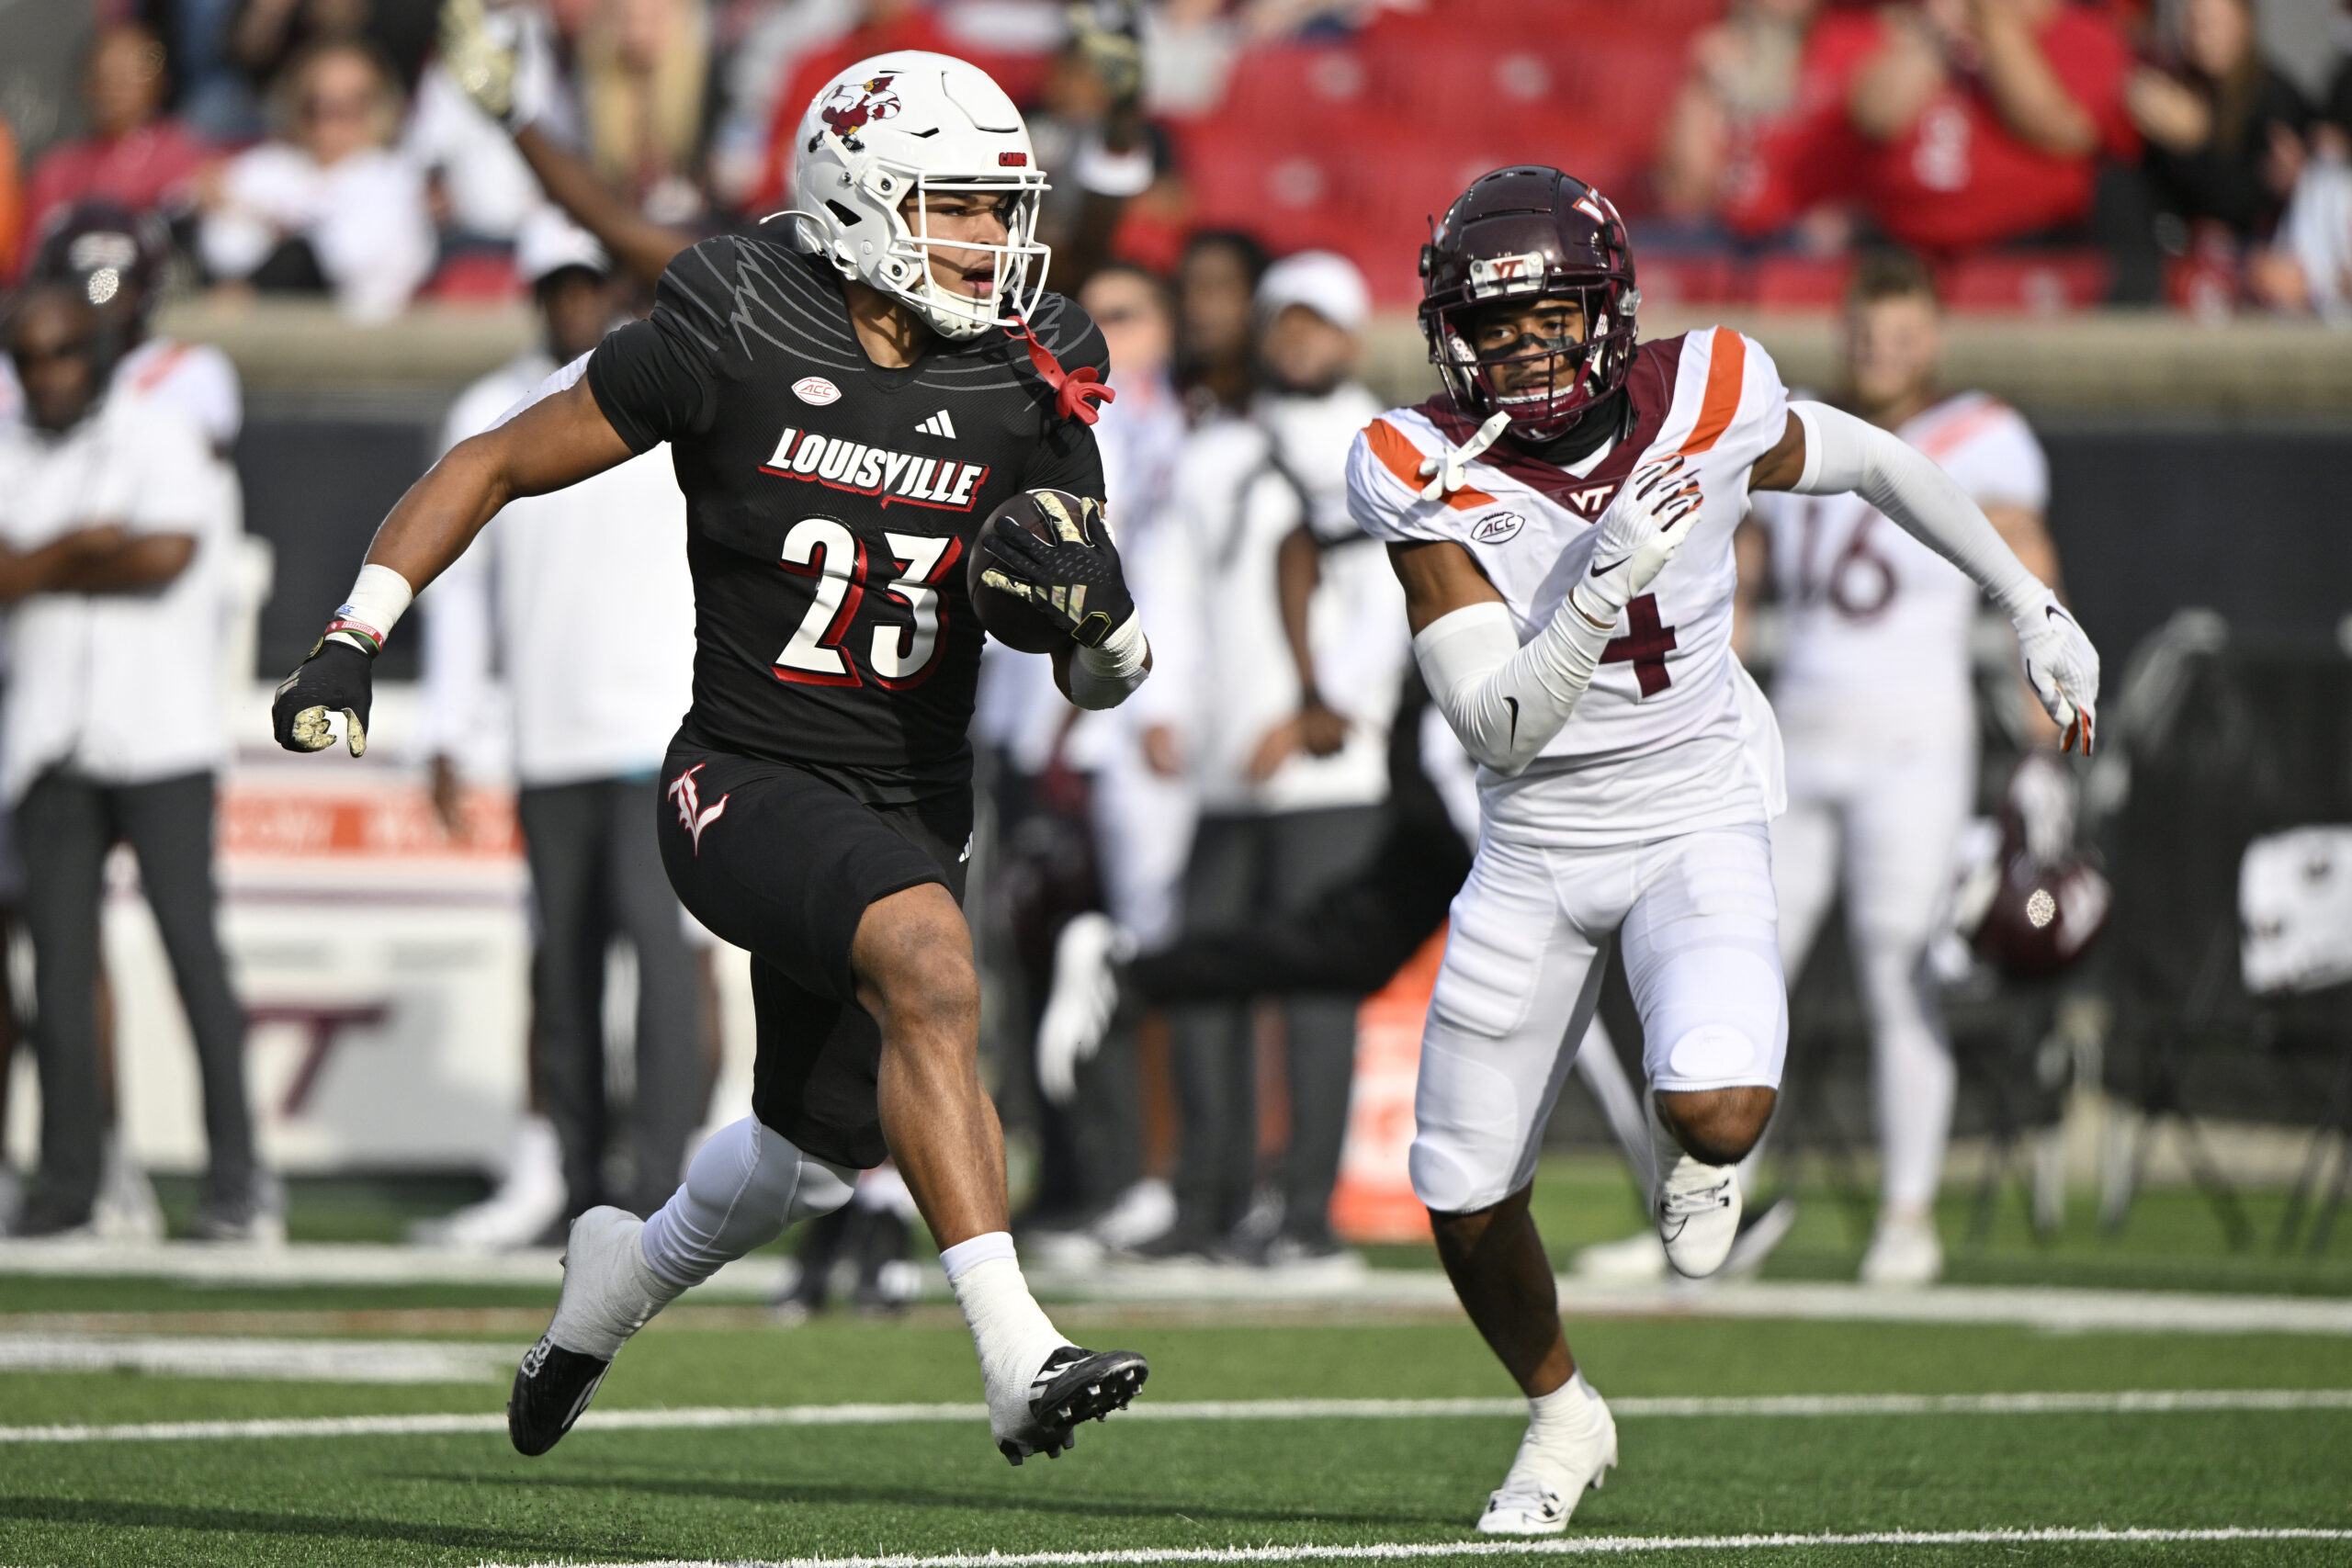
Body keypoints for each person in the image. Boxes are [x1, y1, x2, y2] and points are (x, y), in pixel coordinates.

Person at [269, 51, 1153, 1464]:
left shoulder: (1030, 360)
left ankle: (615, 1277)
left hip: (913, 795)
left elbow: (1085, 640)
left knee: (810, 1157)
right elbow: (495, 458)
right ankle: (1015, 1352)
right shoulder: (738, 317)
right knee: (931, 963)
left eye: (1001, 209)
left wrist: (1112, 643)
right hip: (739, 774)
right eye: (961, 209)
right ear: (862, 206)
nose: (996, 242)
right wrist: (353, 634)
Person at [1345, 165, 2098, 1532]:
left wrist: (2025, 598)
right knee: (1459, 1185)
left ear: (1609, 309)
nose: (1518, 347)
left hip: (1697, 792)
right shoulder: (1415, 463)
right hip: (1538, 832)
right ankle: (1563, 1413)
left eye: (1547, 317)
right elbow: (1498, 728)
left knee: (1723, 1105)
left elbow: (1870, 459)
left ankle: (1692, 1154)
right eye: (1489, 324)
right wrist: (1595, 588)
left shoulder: (1707, 392)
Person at [1742, 248, 2065, 1287]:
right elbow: (1740, 559)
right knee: (1739, 970)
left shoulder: (1980, 432)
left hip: (1912, 742)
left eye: (1902, 332)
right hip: (1796, 736)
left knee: (1899, 970)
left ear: (1932, 336)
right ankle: (1712, 1208)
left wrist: (2039, 697)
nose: (1882, 351)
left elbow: (2026, 552)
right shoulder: (1793, 418)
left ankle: (1908, 1214)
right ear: (1844, 332)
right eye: (1867, 331)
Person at [413, 209, 707, 1247]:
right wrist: (450, 728)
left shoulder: (664, 386)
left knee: (660, 958)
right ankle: (581, 1185)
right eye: (559, 286)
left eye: (592, 282)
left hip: (656, 725)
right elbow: (459, 592)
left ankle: (668, 1181)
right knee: (564, 968)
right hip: (546, 735)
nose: (577, 302)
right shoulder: (491, 408)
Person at [1140, 249, 1405, 1269]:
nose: (1297, 339)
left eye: (1317, 322)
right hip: (1224, 770)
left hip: (1330, 774)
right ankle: (1206, 1200)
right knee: (1202, 972)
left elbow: (1394, 598)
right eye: (1283, 321)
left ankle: (1304, 1213)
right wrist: (1159, 704)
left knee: (1311, 991)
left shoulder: (1384, 447)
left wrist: (1320, 707)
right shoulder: (1217, 449)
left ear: (1349, 336)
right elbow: (1169, 588)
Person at [0, 282, 265, 1241]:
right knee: (61, 972)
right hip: (47, 743)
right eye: (29, 358)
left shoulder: (161, 428)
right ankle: (70, 1187)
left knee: (193, 957)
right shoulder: (11, 442)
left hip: (161, 737)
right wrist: (83, 545)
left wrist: (42, 563)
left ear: (99, 353)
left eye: (64, 352)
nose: (46, 374)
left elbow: (166, 556)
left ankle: (238, 1183)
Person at [1839, 0, 2139, 256]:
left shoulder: (2083, 34)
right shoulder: (1928, 30)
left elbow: (2061, 131)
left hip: (2026, 250)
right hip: (1903, 244)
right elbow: (1871, 118)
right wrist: (1941, 37)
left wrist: (1996, 26)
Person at [197, 39, 434, 320]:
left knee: (296, 259)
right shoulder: (268, 165)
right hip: (247, 308)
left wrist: (260, 216)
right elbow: (224, 245)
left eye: (347, 106)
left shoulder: (395, 176)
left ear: (378, 107)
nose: (328, 116)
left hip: (341, 329)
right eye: (317, 104)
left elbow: (348, 259)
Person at [20, 23, 213, 259]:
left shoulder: (184, 154)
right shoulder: (56, 169)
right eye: (102, 78)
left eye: (125, 78)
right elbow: (31, 260)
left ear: (159, 82)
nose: (113, 90)